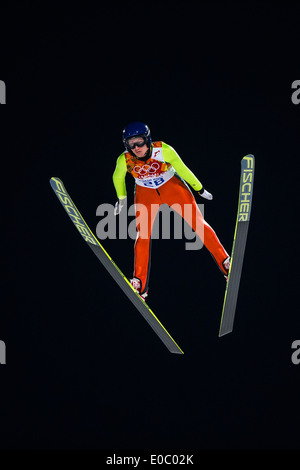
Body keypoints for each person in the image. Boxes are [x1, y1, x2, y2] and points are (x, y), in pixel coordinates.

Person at [113, 121, 230, 300]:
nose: (136, 148)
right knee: (142, 235)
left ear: (148, 140)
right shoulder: (124, 159)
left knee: (198, 224)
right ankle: (140, 283)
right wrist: (122, 200)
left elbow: (183, 169)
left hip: (171, 187)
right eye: (131, 144)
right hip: (146, 193)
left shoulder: (164, 150)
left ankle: (225, 263)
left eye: (140, 142)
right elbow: (117, 177)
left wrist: (199, 188)